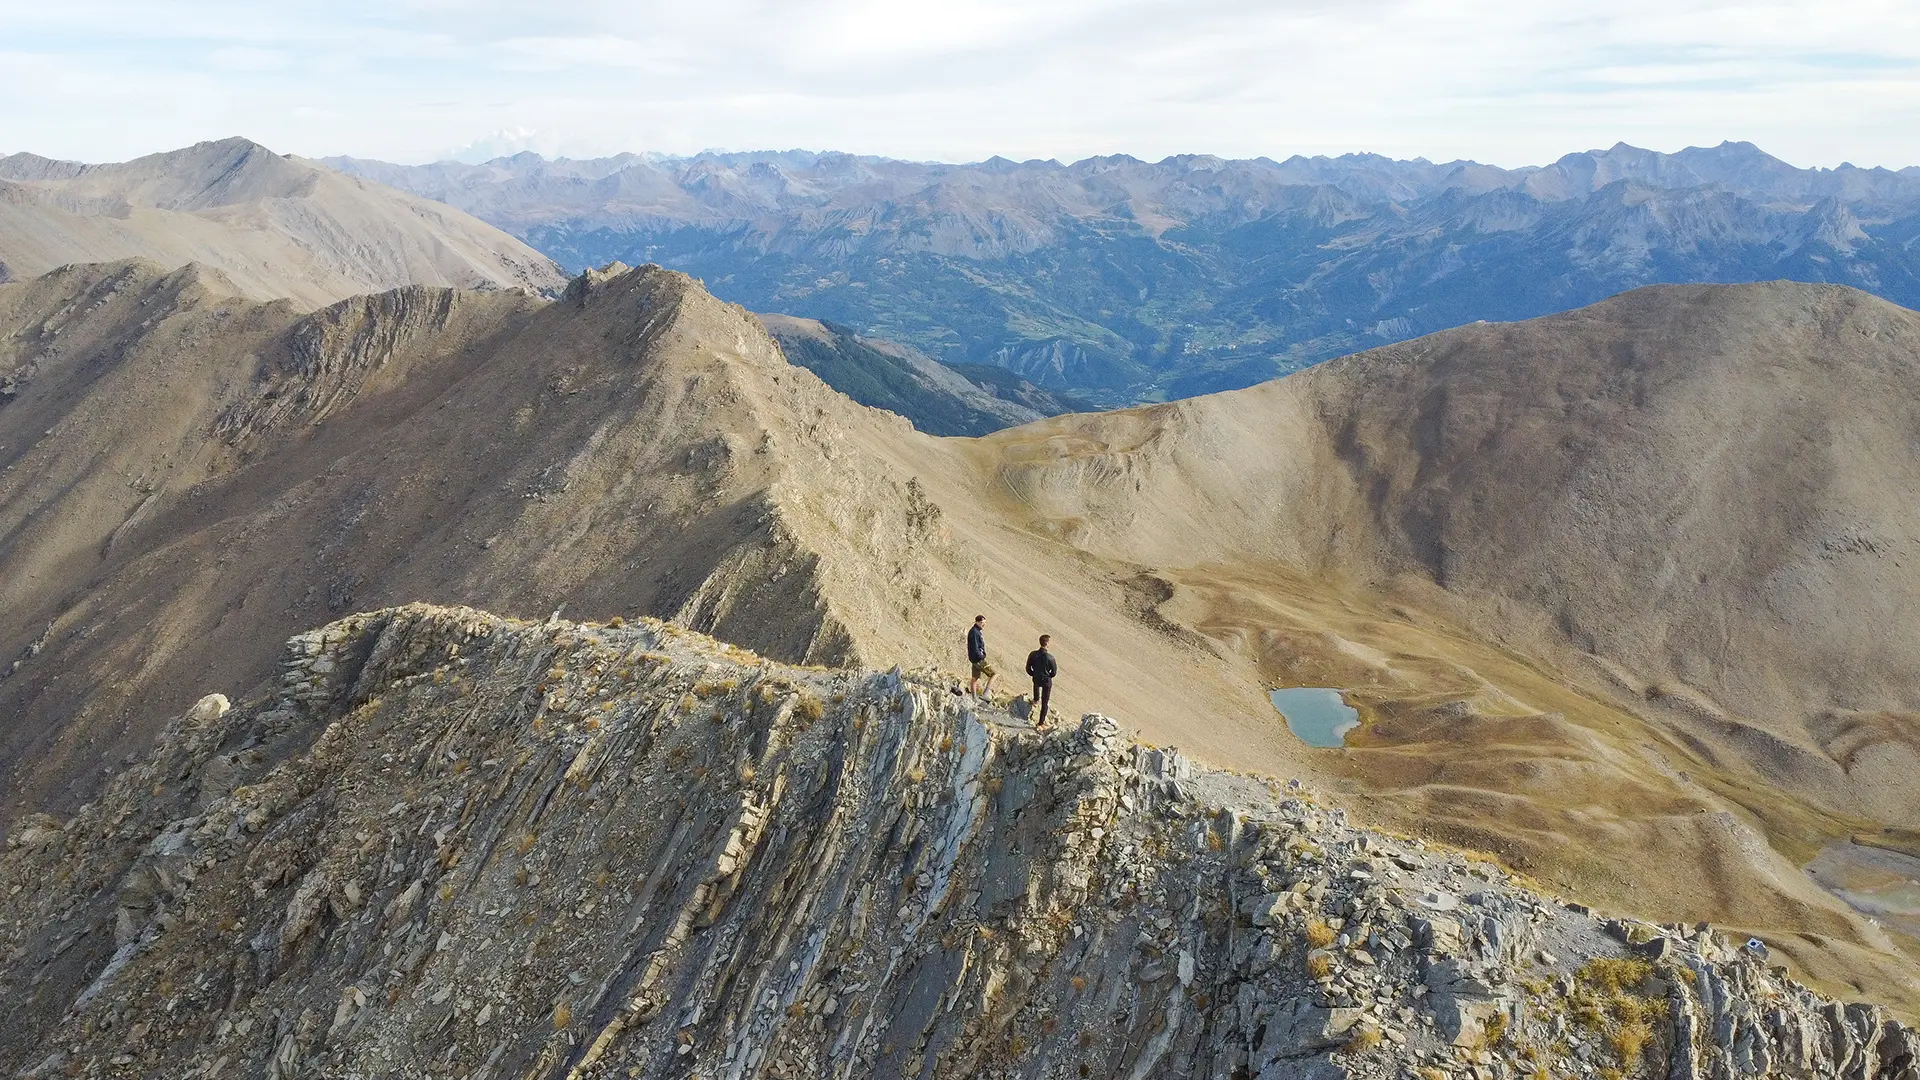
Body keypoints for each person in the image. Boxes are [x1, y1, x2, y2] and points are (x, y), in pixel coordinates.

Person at [1024, 634, 1058, 728]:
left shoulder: (1033, 654)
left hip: (1036, 678)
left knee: (1036, 684)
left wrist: (1033, 674)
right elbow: (1054, 672)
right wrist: (1048, 676)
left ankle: (1035, 699)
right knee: (1045, 702)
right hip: (1046, 680)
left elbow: (1028, 667)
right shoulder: (1050, 657)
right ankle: (1041, 722)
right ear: (1047, 643)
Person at [966, 615, 995, 696]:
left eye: (984, 623)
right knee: (994, 674)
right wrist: (981, 657)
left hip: (974, 658)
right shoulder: (975, 632)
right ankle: (985, 694)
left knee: (975, 677)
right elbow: (975, 647)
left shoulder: (975, 631)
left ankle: (974, 696)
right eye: (982, 622)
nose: (984, 624)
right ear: (977, 622)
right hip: (978, 659)